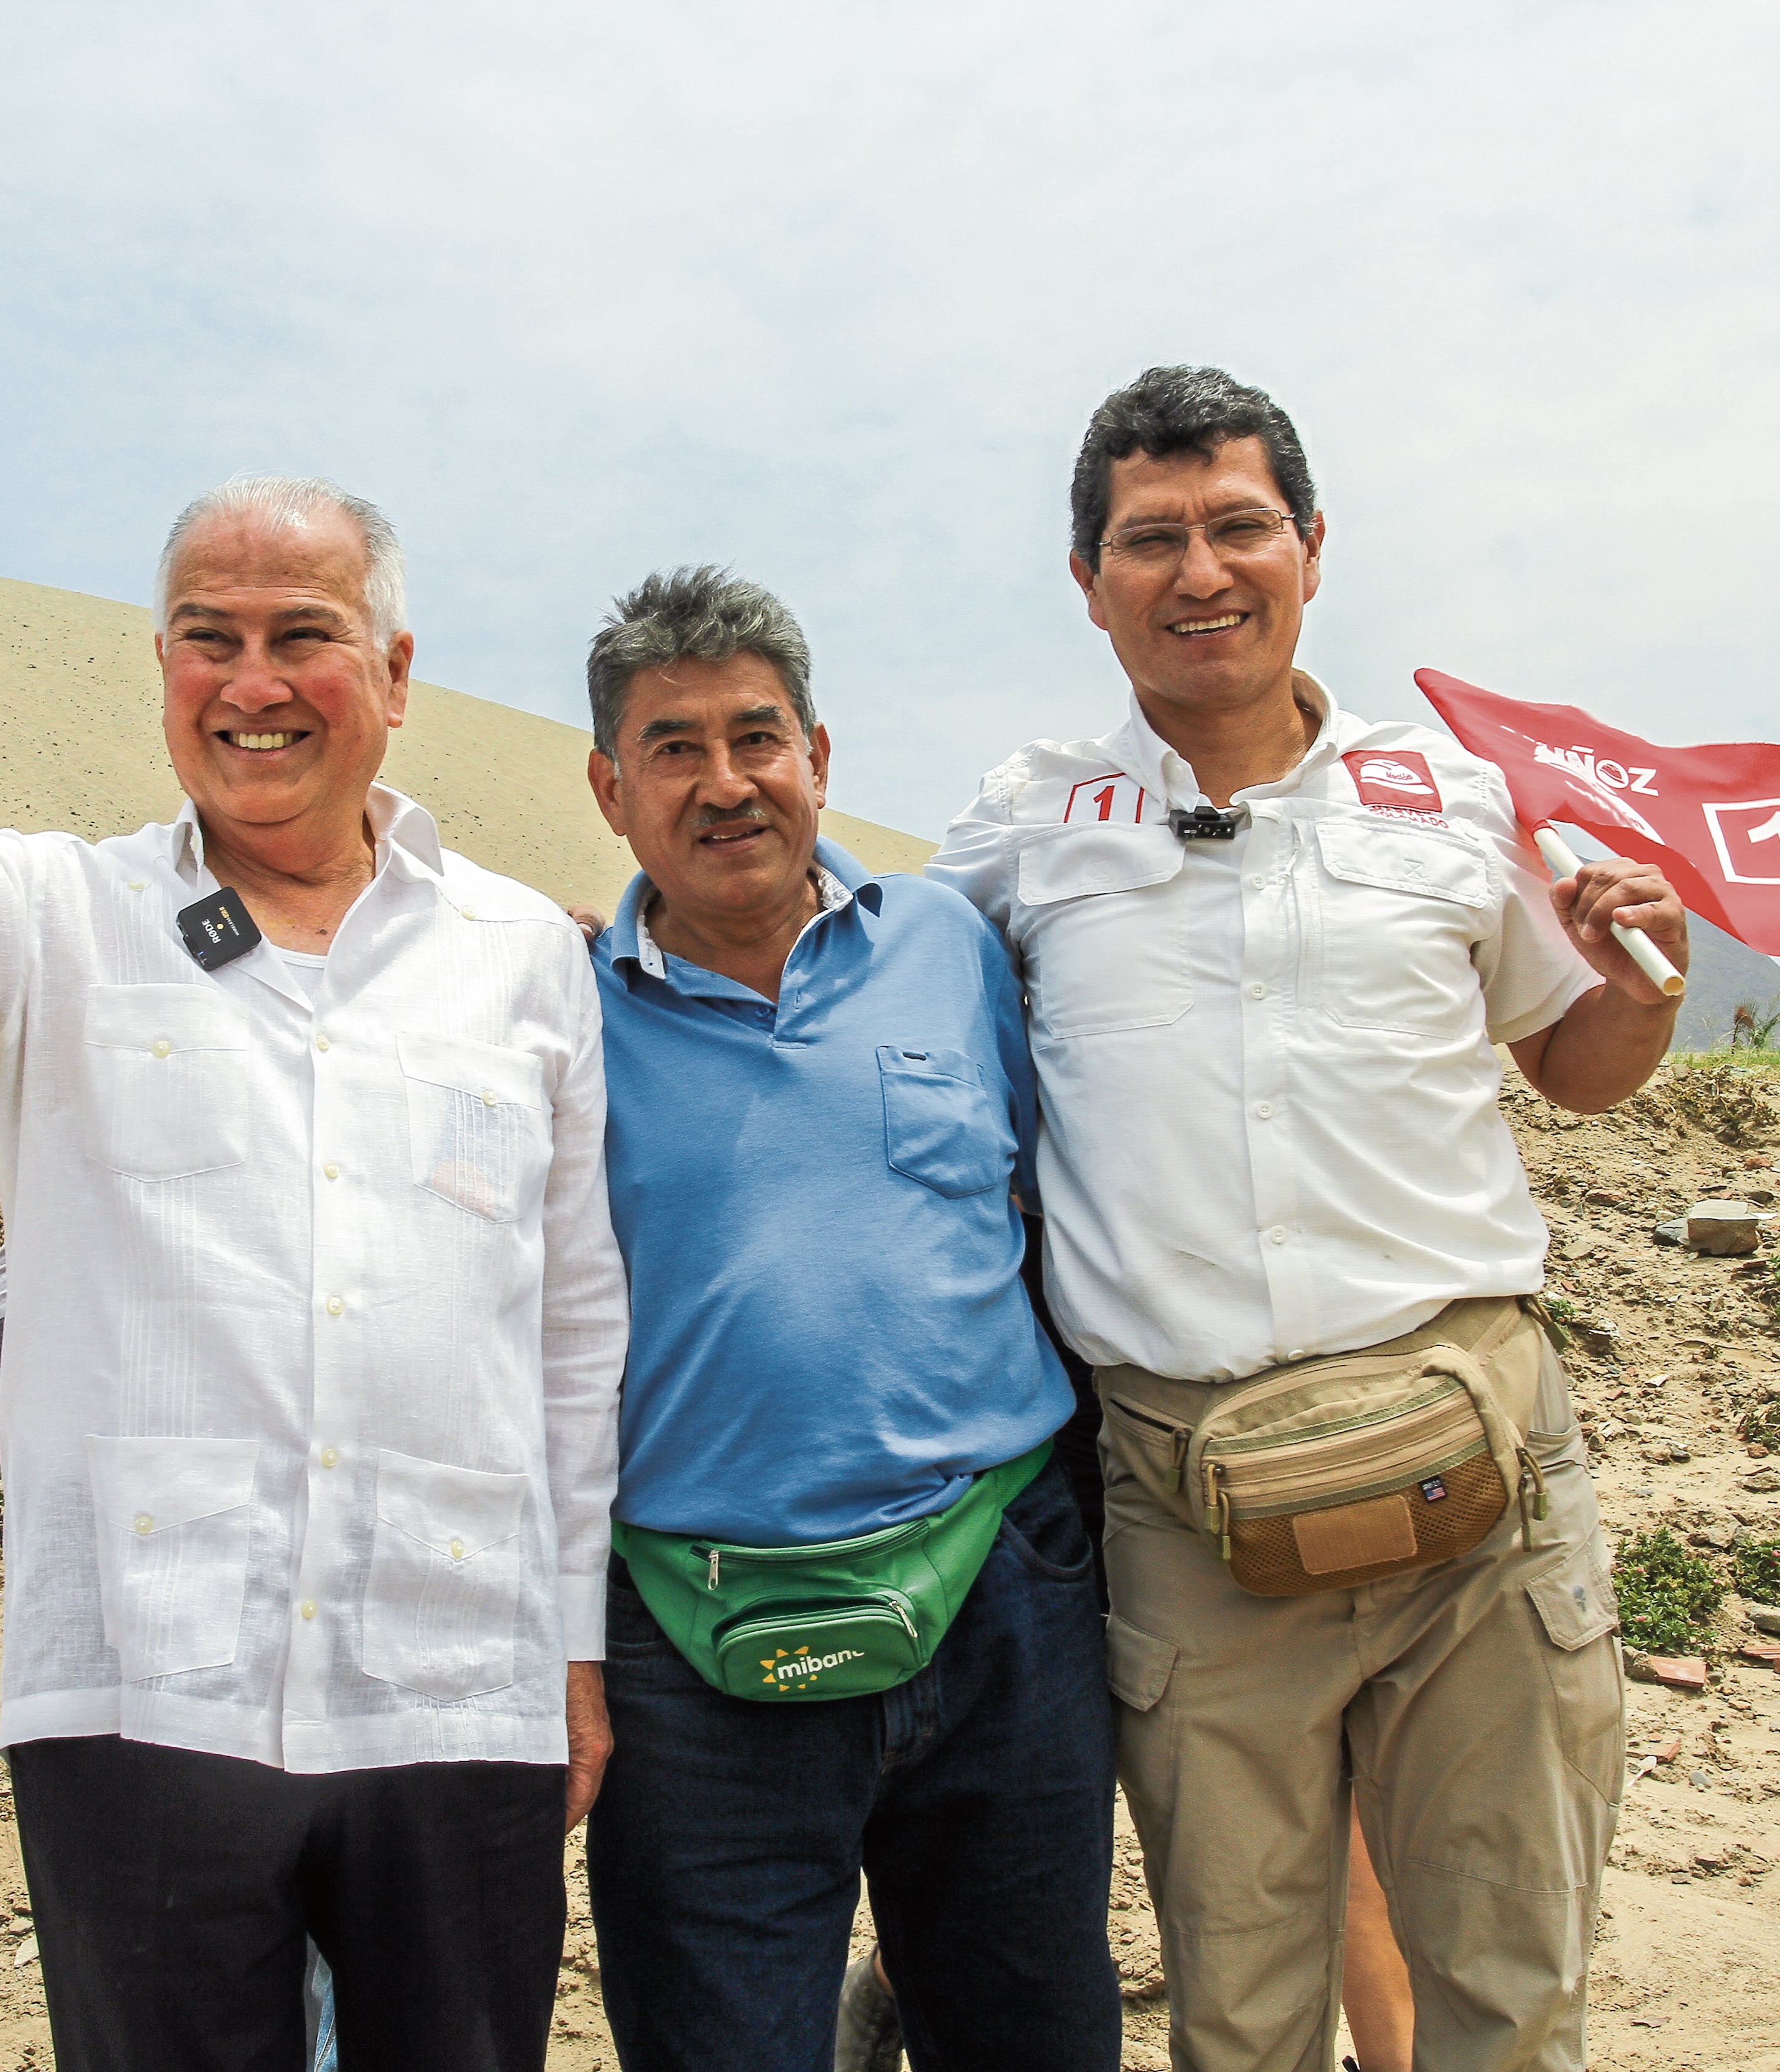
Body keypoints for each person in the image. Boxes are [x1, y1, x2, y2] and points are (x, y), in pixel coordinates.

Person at [0, 398, 626, 2072]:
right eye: (208, 636)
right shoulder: (52, 919)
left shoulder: (521, 956)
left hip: (455, 1675)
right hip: (141, 1683)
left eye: (301, 634)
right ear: (162, 664)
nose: (252, 681)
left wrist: (573, 1638)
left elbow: (574, 1327)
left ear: (396, 672)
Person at [930, 365, 1689, 2072]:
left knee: (1511, 1991)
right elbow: (879, 1004)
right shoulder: (1027, 823)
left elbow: (1573, 1062)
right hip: (1188, 1506)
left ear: (1313, 547)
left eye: (1238, 526)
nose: (1200, 570)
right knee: (1242, 2013)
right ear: (1089, 581)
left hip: (1480, 1481)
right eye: (1152, 539)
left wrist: (1645, 981)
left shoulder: (1453, 798)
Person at [573, 568, 1112, 2070]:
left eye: (757, 736)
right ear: (611, 790)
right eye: (673, 747)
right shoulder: (552, 1011)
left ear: (816, 754)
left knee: (1034, 2036)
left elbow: (1038, 1202)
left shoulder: (950, 945)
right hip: (692, 1636)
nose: (725, 781)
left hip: (1002, 1588)